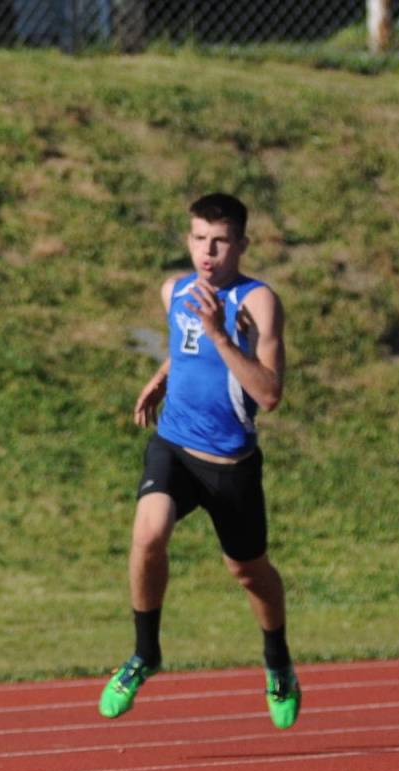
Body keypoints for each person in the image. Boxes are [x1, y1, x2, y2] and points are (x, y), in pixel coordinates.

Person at [98, 192, 300, 729]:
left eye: (220, 241)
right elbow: (184, 347)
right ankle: (145, 654)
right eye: (198, 239)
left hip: (230, 464)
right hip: (174, 447)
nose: (207, 251)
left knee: (249, 572)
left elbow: (270, 394)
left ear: (241, 245)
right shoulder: (175, 290)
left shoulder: (258, 303)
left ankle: (278, 661)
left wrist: (218, 333)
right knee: (148, 534)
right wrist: (161, 379)